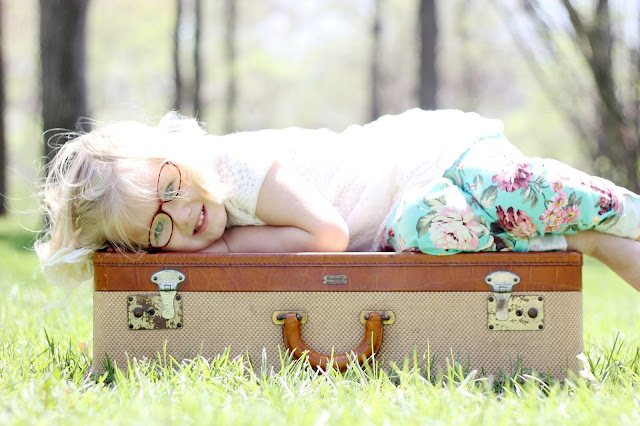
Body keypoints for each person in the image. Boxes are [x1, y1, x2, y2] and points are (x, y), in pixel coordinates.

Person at [36, 109, 640, 291]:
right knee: (443, 231)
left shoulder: (234, 167)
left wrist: (227, 248)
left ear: (178, 155)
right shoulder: (193, 211)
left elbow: (327, 237)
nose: (182, 214)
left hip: (431, 155)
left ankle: (618, 211)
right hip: (408, 217)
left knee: (528, 196)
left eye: (170, 186)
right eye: (158, 229)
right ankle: (584, 238)